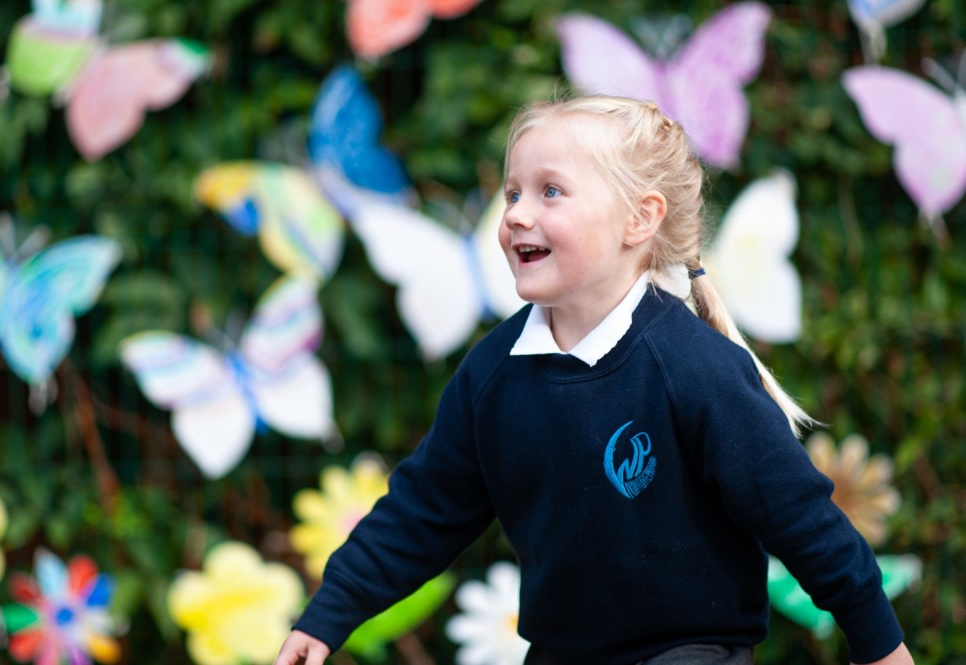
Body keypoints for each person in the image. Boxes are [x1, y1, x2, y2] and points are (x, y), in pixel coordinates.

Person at [274, 95, 914, 665]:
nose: (517, 214)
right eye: (513, 194)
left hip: (691, 651)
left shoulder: (694, 367)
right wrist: (328, 615)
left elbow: (796, 512)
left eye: (551, 191)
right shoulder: (493, 374)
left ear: (639, 219)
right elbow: (423, 511)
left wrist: (877, 640)